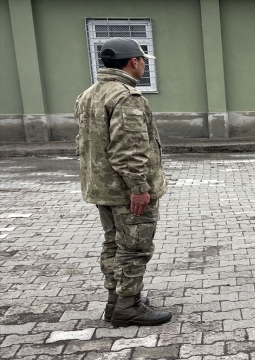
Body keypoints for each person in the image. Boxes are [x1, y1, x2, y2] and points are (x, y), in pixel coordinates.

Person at [75, 38, 172, 327]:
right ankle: (128, 306)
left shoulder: (89, 94)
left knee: (114, 243)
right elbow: (129, 148)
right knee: (135, 247)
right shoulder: (126, 97)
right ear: (133, 62)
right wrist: (139, 188)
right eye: (143, 60)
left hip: (102, 188)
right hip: (127, 192)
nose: (143, 65)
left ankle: (115, 301)